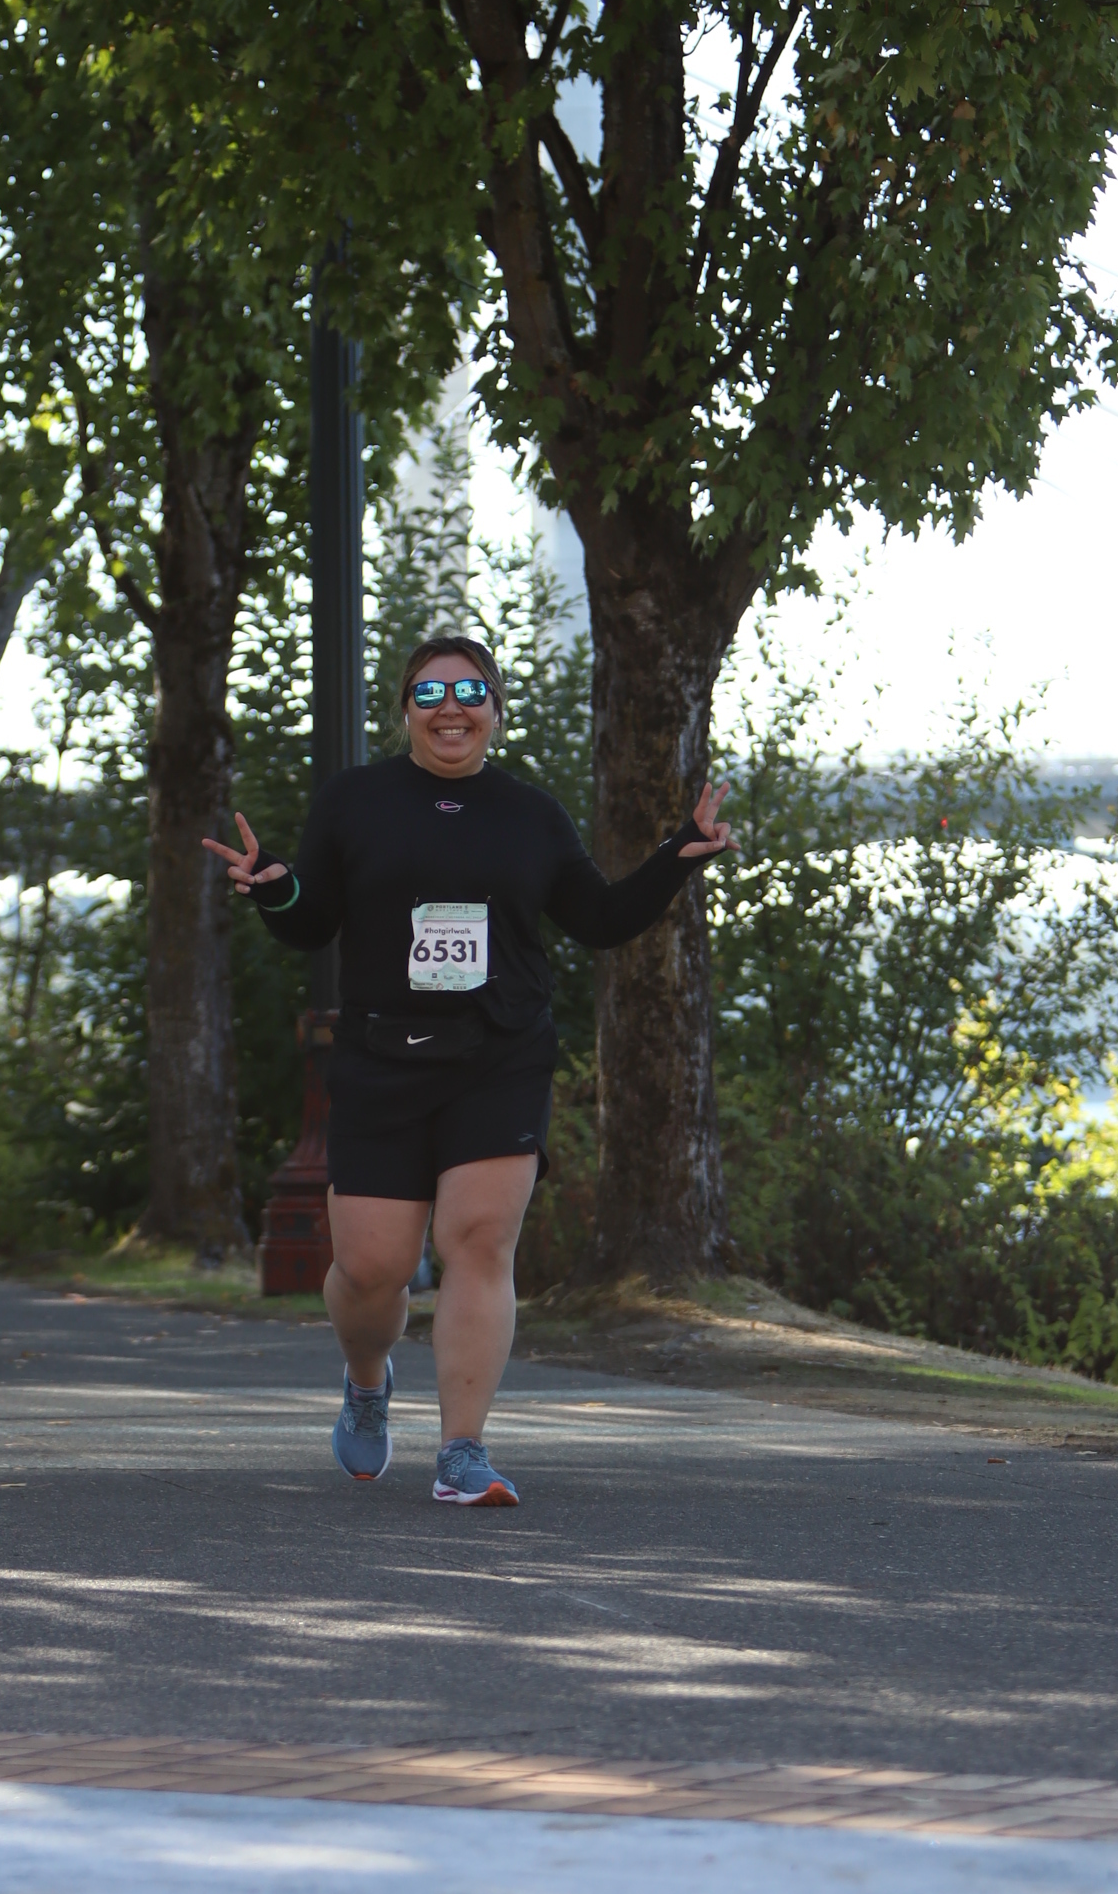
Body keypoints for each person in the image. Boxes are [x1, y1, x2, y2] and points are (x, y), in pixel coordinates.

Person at [205, 637, 733, 1505]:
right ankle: (367, 1380)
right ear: (405, 710)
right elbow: (312, 922)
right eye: (430, 693)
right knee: (371, 1270)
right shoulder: (356, 801)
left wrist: (679, 852)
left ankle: (462, 1452)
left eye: (470, 691)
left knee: (480, 1243)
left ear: (494, 708)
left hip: (500, 1052)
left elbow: (599, 919)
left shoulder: (531, 814)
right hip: (382, 1055)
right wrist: (274, 888)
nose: (450, 707)